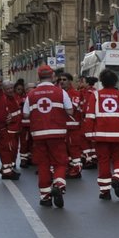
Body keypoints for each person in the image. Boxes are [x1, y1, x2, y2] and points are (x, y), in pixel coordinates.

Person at [23, 65, 72, 208]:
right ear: (53, 77)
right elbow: (70, 110)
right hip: (57, 133)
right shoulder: (61, 92)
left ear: (38, 77)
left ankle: (45, 197)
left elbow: (25, 114)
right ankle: (58, 184)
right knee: (60, 162)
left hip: (38, 134)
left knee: (43, 165)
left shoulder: (31, 95)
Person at [87, 68, 119, 201]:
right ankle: (117, 178)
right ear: (115, 81)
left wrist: (89, 135)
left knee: (103, 161)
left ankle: (105, 191)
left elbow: (90, 117)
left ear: (101, 82)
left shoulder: (95, 96)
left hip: (100, 136)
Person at [60, 72, 86, 180]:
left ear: (70, 81)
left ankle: (76, 169)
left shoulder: (75, 93)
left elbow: (72, 108)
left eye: (64, 79)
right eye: (60, 80)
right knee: (66, 150)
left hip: (73, 127)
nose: (62, 81)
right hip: (63, 127)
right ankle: (70, 168)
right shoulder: (60, 93)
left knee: (74, 150)